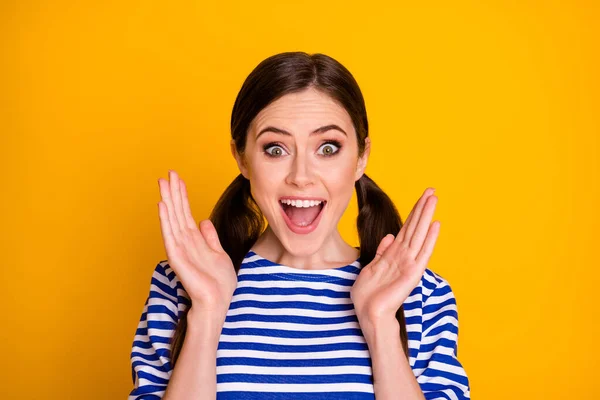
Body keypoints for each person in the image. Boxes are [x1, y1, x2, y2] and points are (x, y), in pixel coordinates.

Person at [128, 52, 470, 400]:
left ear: (361, 158)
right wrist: (207, 314)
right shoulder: (182, 284)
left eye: (327, 147)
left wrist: (382, 325)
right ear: (242, 157)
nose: (301, 177)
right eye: (275, 149)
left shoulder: (421, 295)